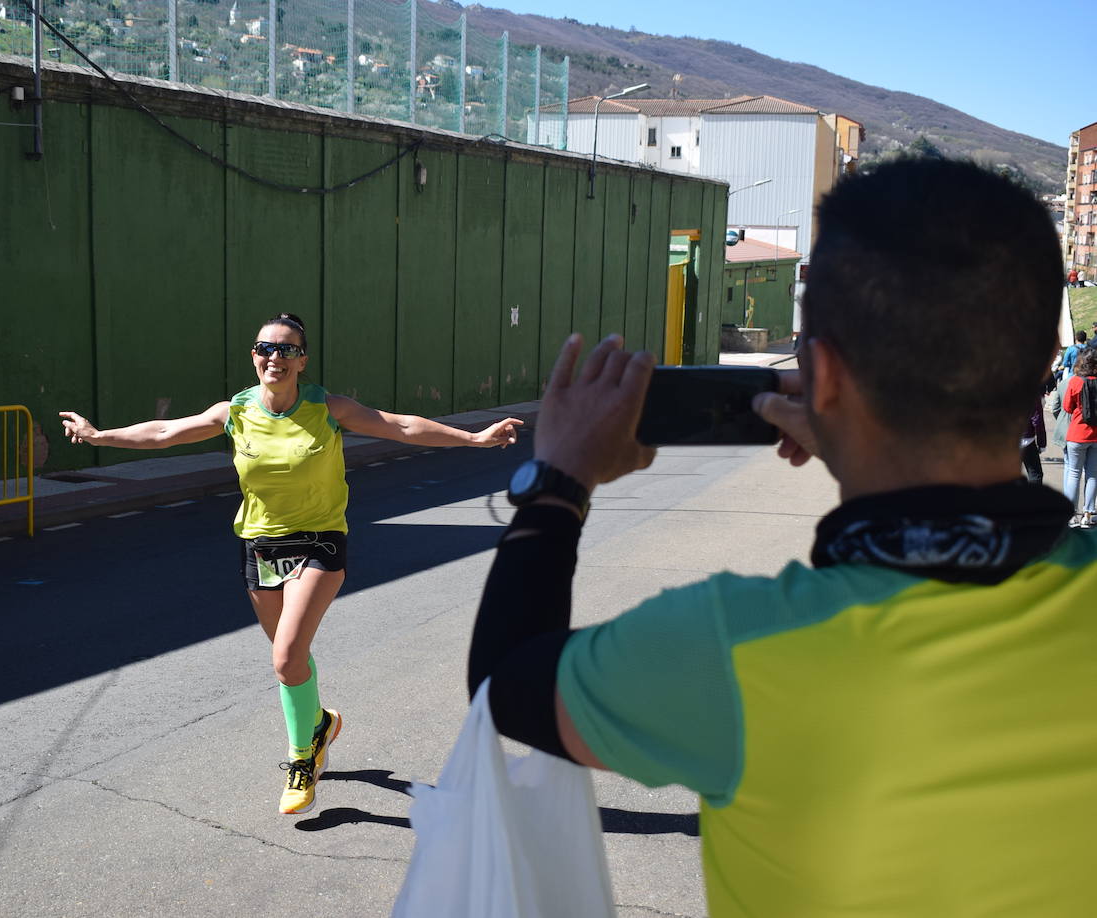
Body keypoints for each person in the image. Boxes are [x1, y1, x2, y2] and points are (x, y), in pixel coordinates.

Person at [468, 159, 1095, 916]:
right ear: (1041, 369)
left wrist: (559, 480)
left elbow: (505, 682)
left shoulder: (731, 646)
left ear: (820, 374)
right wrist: (859, 440)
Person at [59, 313, 522, 815]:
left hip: (320, 541)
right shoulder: (236, 410)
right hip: (260, 544)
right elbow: (167, 431)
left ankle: (303, 757)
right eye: (265, 348)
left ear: (302, 360)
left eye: (286, 350)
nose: (274, 357)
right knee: (293, 661)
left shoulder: (327, 407)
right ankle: (319, 723)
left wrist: (474, 438)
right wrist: (101, 436)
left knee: (284, 657)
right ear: (253, 356)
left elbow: (402, 425)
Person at [1062, 347, 1097, 529]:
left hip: (1077, 434)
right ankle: (1088, 514)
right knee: (1092, 474)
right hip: (1096, 435)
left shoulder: (1075, 382)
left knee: (1073, 474)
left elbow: (1067, 407)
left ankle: (1071, 515)